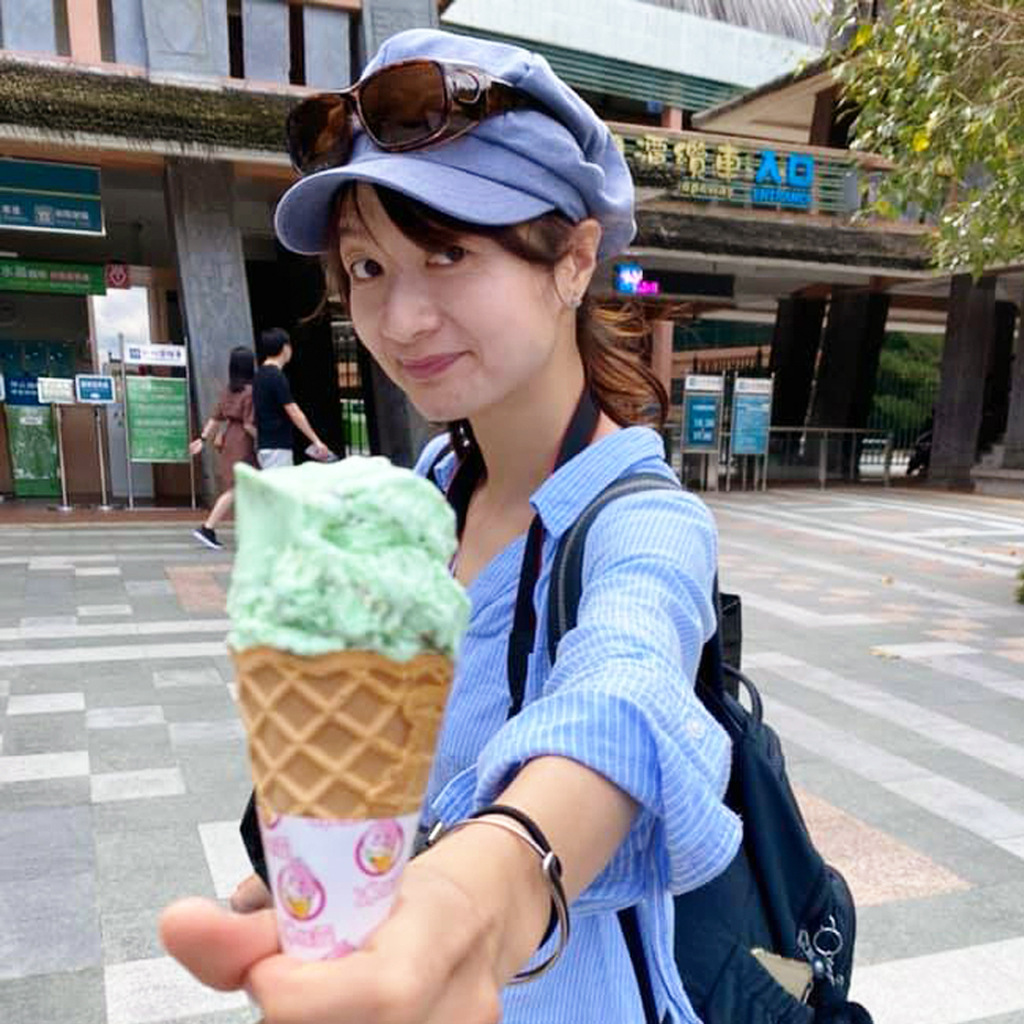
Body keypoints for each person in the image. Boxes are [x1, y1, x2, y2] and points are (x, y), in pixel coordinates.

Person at [160, 29, 740, 1024]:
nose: (401, 319)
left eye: (448, 252)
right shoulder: (431, 485)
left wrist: (484, 892)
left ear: (574, 258)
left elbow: (627, 693)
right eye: (367, 266)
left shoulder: (645, 522)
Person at [189, 345, 258, 551]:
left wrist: (203, 439)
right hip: (243, 441)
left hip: (229, 439)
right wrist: (264, 439)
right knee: (237, 487)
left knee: (244, 488)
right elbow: (249, 425)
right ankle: (208, 528)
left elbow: (215, 417)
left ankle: (249, 531)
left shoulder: (228, 390)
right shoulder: (250, 392)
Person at [253, 326, 333, 468]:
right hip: (278, 447)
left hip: (265, 445)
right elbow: (294, 412)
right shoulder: (276, 376)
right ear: (285, 348)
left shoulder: (259, 374)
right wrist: (316, 441)